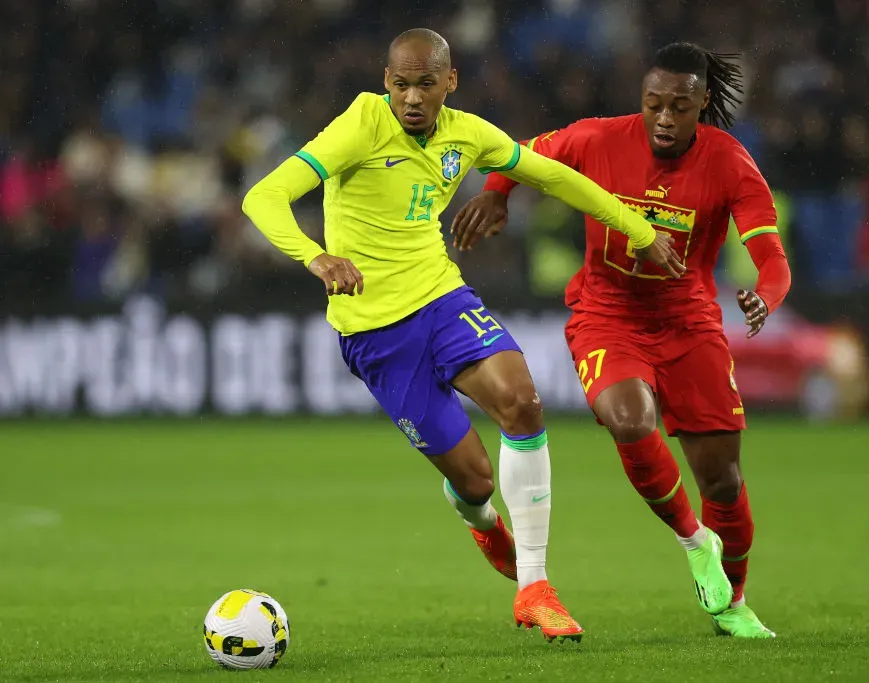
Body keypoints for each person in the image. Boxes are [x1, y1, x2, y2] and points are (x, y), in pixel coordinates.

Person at [241, 28, 683, 643]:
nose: (412, 97)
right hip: (375, 335)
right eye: (401, 84)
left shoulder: (468, 133)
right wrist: (316, 258)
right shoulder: (361, 125)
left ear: (450, 83)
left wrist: (637, 230)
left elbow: (555, 177)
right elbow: (264, 197)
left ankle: (535, 587)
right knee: (474, 481)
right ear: (385, 82)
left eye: (426, 84)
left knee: (522, 402)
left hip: (442, 299)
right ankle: (480, 519)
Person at [452, 41, 792, 638]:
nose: (664, 118)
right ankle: (693, 543)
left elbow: (772, 257)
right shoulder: (598, 139)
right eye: (654, 104)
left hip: (689, 325)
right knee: (629, 418)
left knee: (724, 482)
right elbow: (520, 156)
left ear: (702, 104)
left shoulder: (730, 162)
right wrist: (496, 195)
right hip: (607, 313)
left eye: (679, 107)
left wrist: (766, 294)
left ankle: (731, 601)